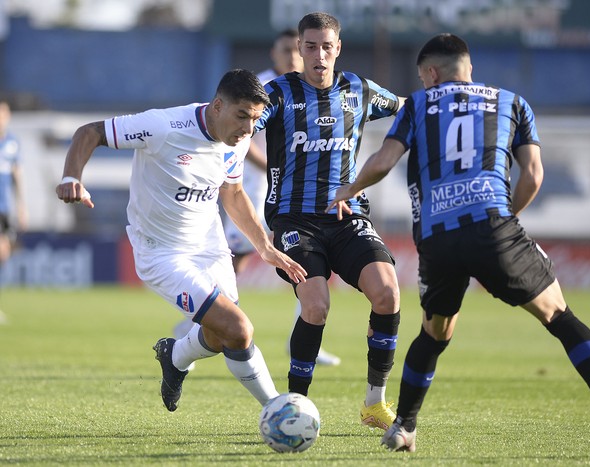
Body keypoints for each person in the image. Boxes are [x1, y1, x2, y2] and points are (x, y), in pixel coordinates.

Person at [328, 34, 590, 452]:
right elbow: (533, 176)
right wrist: (506, 219)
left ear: (431, 73)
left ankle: (404, 426)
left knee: (434, 333)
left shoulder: (420, 105)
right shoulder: (512, 102)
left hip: (438, 238)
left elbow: (384, 161)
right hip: (492, 227)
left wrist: (347, 190)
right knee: (559, 316)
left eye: (423, 79)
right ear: (469, 68)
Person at [56, 69, 307, 412]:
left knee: (221, 336)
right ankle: (277, 409)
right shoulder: (163, 126)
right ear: (217, 105)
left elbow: (232, 193)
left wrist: (263, 245)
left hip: (210, 245)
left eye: (255, 120)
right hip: (161, 254)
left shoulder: (238, 138)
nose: (248, 129)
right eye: (242, 117)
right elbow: (90, 132)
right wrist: (72, 176)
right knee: (238, 329)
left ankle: (174, 357)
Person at [253, 12, 405, 431]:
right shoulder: (278, 93)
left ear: (337, 49)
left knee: (388, 295)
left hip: (346, 216)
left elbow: (407, 110)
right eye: (310, 46)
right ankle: (294, 407)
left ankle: (374, 403)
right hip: (293, 220)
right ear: (298, 50)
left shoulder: (359, 89)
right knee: (316, 306)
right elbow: (245, 124)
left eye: (326, 46)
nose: (318, 55)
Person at [221, 28, 340, 366]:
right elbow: (238, 141)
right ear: (274, 54)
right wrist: (273, 165)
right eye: (285, 50)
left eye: (295, 50)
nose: (291, 56)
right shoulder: (262, 89)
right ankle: (202, 320)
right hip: (255, 188)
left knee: (309, 259)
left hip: (294, 195)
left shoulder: (313, 89)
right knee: (237, 258)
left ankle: (302, 338)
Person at [0, 100, 27, 324]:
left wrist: (21, 206)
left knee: (4, 253)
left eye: (4, 113)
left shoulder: (12, 143)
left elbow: (17, 175)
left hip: (5, 207)